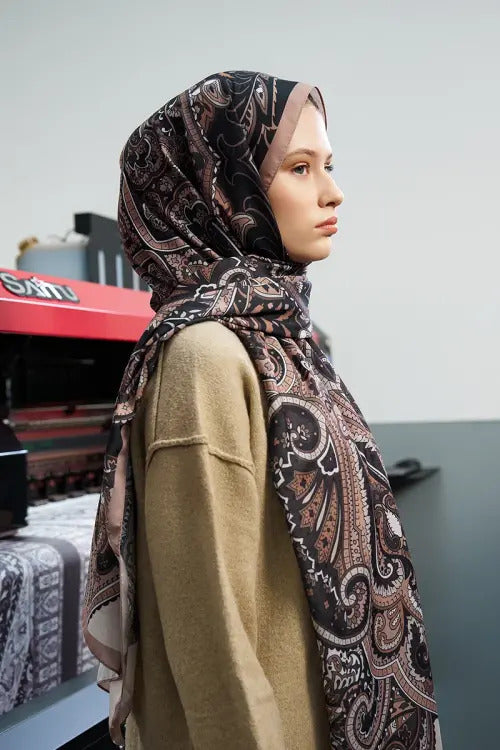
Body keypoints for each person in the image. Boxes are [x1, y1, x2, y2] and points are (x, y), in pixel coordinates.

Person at [82, 70, 442, 749]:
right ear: (219, 190)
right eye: (300, 169)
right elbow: (210, 637)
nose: (333, 192)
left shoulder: (284, 342)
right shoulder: (203, 359)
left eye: (328, 166)